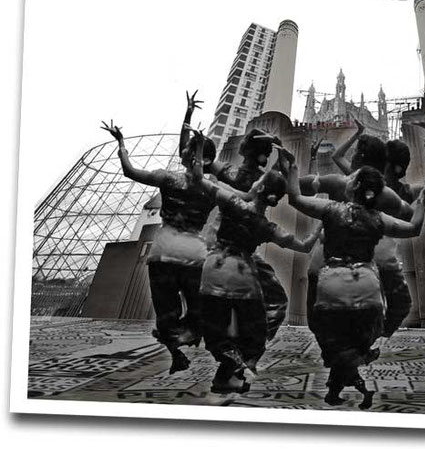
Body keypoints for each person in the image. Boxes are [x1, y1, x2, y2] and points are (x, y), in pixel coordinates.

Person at [282, 147, 425, 409]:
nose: (346, 179)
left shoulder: (331, 209)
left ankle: (350, 373)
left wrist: (291, 166)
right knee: (355, 342)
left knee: (334, 342)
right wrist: (424, 197)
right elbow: (414, 228)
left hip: (332, 287)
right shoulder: (379, 218)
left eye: (350, 178)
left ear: (354, 186)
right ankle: (349, 377)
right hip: (367, 291)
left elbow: (295, 198)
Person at [191, 133, 321, 393]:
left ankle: (232, 359)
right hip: (240, 257)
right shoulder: (264, 218)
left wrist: (195, 146)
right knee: (273, 303)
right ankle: (245, 354)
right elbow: (293, 186)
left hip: (218, 253)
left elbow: (203, 171)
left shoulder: (231, 184)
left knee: (227, 316)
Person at [101, 115, 216, 375]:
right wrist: (188, 125)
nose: (183, 150)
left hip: (163, 253)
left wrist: (121, 144)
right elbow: (195, 163)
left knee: (166, 313)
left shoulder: (168, 179)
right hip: (193, 255)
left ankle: (177, 352)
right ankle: (190, 346)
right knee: (199, 309)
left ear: (193, 156)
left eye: (187, 149)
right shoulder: (212, 188)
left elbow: (129, 171)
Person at [185, 118, 290, 343]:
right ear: (262, 154)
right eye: (267, 151)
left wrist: (198, 142)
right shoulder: (260, 180)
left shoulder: (229, 171)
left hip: (218, 240)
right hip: (241, 246)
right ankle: (251, 341)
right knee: (277, 299)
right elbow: (280, 171)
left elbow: (201, 163)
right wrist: (281, 151)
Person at [332, 119, 425, 339]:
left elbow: (337, 158)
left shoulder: (365, 183)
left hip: (372, 257)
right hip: (371, 257)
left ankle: (366, 340)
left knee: (377, 305)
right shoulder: (373, 184)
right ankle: (367, 340)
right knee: (384, 304)